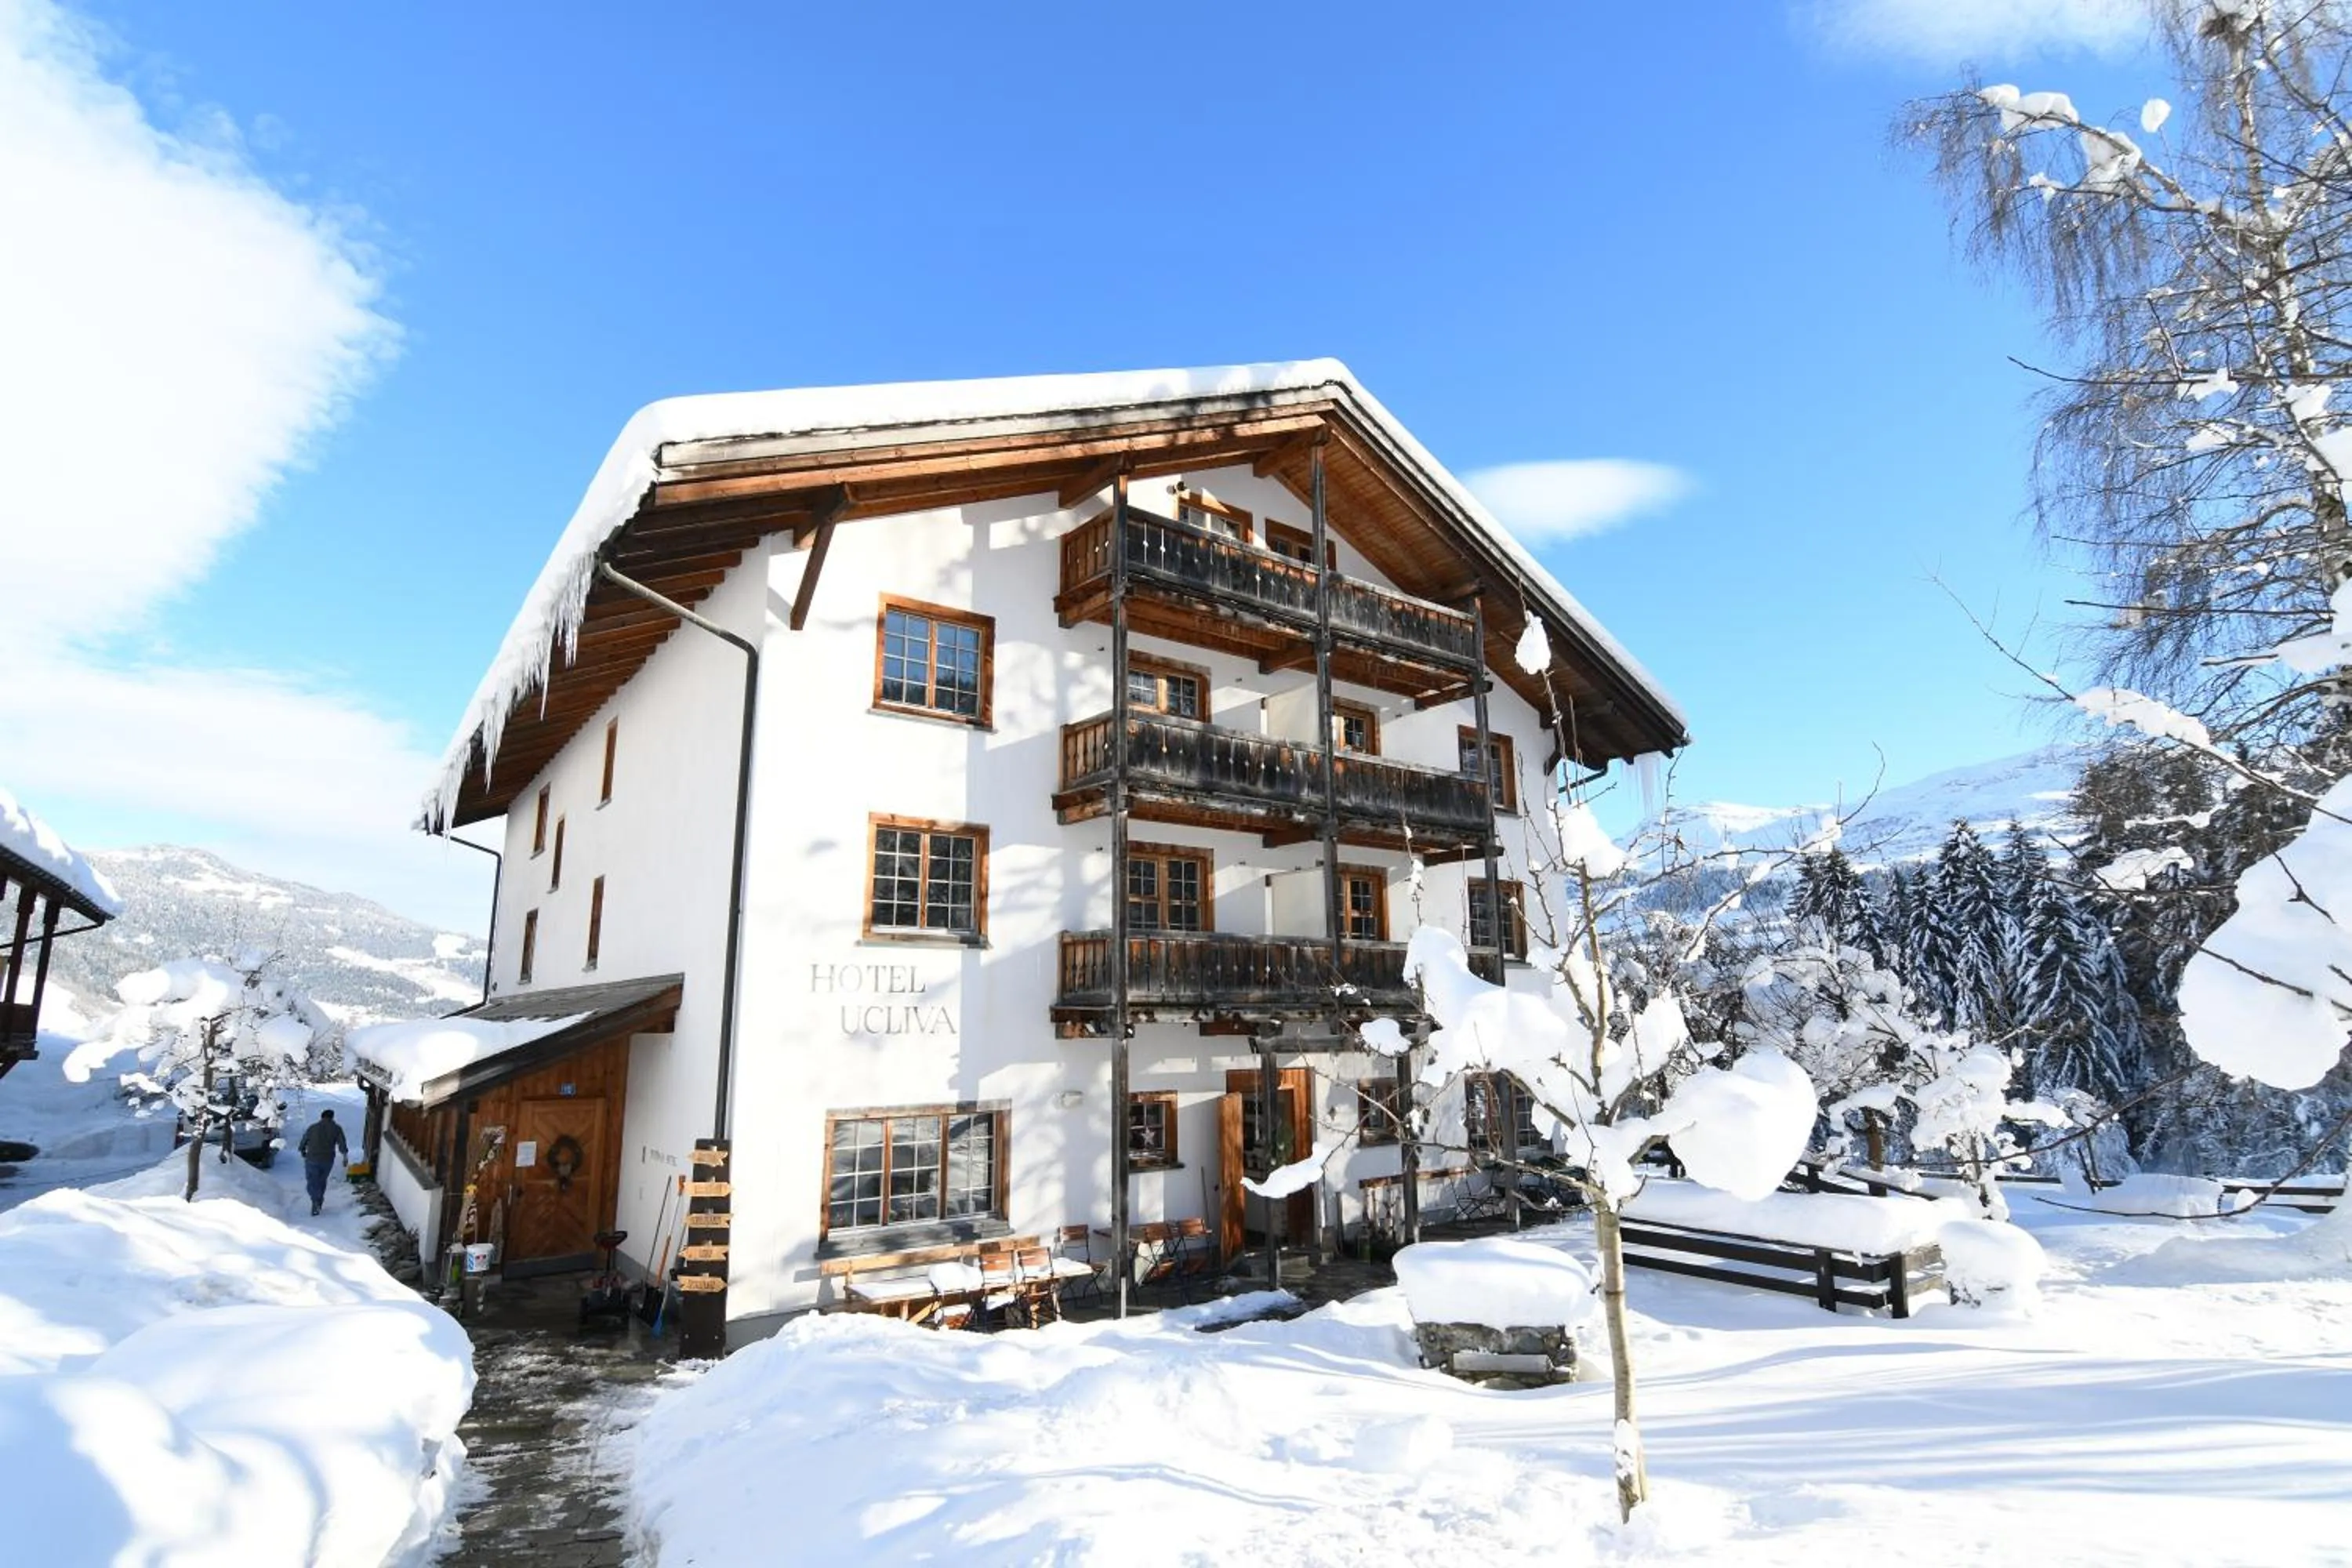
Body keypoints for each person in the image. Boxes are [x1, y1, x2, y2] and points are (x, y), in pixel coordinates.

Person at [297, 1109, 348, 1216]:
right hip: (327, 1160)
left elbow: (304, 1139)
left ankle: (315, 1200)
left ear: (322, 1117)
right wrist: (345, 1156)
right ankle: (319, 1200)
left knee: (312, 1181)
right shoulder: (337, 1128)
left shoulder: (313, 1127)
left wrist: (302, 1149)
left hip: (312, 1158)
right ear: (332, 1117)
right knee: (321, 1180)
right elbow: (342, 1143)